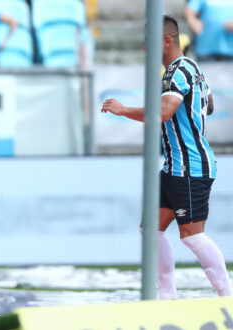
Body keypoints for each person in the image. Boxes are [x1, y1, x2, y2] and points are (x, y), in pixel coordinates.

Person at [101, 15, 230, 300]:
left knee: (192, 236)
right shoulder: (190, 69)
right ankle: (168, 299)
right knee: (150, 230)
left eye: (150, 42)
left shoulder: (177, 71)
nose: (146, 49)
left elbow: (163, 113)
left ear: (167, 40)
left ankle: (228, 297)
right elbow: (207, 105)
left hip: (191, 166)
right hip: (175, 166)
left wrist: (123, 110)